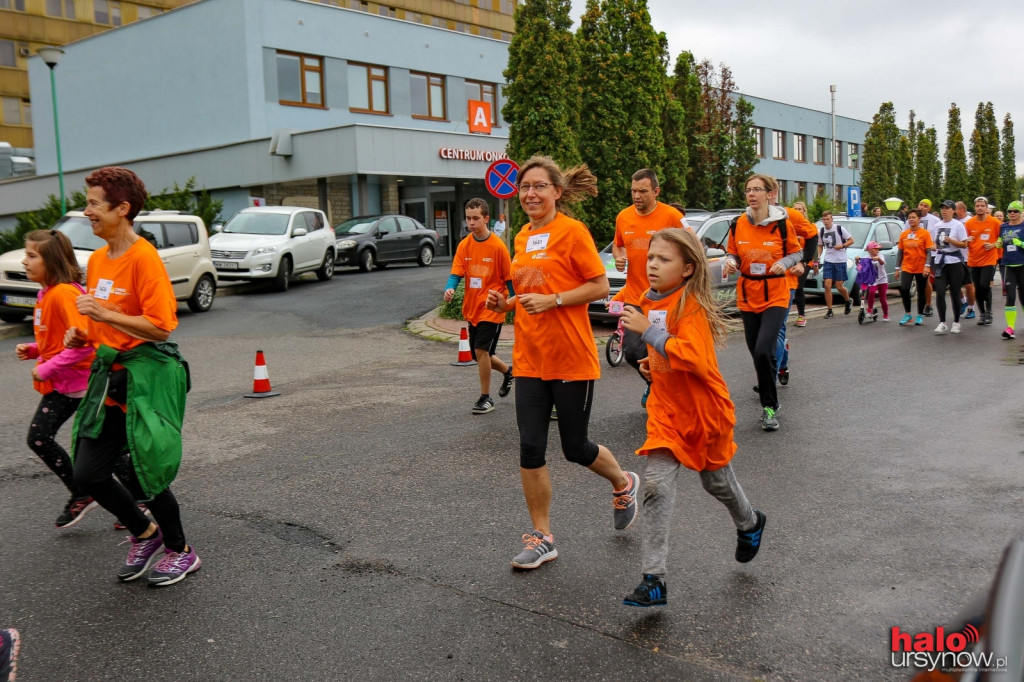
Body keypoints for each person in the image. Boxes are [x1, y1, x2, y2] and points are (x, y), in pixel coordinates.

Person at [485, 156, 639, 570]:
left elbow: (599, 285)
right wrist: (508, 301)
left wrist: (553, 301)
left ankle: (623, 483)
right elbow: (531, 286)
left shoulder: (572, 232)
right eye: (524, 188)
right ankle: (542, 537)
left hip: (571, 358)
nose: (530, 194)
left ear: (556, 191)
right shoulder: (520, 237)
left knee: (575, 448)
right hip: (531, 359)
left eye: (539, 186)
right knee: (530, 447)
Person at [65, 166, 200, 587]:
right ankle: (146, 534)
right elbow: (104, 323)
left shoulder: (144, 258)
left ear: (121, 209)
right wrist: (82, 335)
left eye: (93, 203)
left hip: (144, 377)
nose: (86, 211)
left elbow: (161, 326)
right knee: (87, 474)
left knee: (143, 470)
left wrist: (104, 313)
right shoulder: (99, 260)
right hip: (108, 376)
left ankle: (181, 551)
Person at [619, 228, 765, 608]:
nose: (653, 264)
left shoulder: (692, 306)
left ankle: (749, 522)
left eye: (663, 259)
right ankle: (655, 579)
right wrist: (652, 365)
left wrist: (649, 334)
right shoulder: (648, 299)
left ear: (686, 269)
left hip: (704, 412)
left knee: (716, 482)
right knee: (655, 486)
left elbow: (696, 359)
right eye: (651, 257)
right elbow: (661, 349)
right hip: (666, 412)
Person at [15, 230, 98, 528]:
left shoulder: (64, 294)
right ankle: (87, 493)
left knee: (98, 448)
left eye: (32, 255)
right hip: (65, 384)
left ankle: (134, 500)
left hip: (80, 385)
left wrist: (47, 368)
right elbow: (58, 339)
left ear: (51, 260)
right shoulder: (46, 293)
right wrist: (35, 349)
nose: (24, 261)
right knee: (44, 439)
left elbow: (85, 343)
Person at [722, 174, 802, 431]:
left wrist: (785, 263)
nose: (751, 194)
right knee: (756, 353)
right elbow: (732, 250)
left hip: (776, 293)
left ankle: (769, 406)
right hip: (747, 294)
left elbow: (797, 252)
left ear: (770, 194)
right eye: (748, 190)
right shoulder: (738, 224)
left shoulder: (781, 224)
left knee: (764, 350)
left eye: (757, 189)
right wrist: (730, 261)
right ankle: (771, 393)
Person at [610, 169, 686, 406]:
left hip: (667, 297)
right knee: (632, 350)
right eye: (633, 191)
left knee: (666, 349)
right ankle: (654, 385)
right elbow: (618, 245)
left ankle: (671, 392)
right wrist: (619, 256)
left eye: (642, 191)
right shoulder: (623, 216)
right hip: (636, 296)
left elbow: (692, 247)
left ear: (656, 191)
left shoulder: (672, 216)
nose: (637, 196)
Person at [443, 198, 514, 414]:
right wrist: (450, 288)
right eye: (468, 218)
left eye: (476, 218)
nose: (471, 222)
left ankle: (485, 398)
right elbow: (456, 272)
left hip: (492, 308)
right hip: (472, 307)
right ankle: (508, 371)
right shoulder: (465, 245)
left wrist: (514, 304)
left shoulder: (498, 247)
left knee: (481, 350)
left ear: (486, 218)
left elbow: (510, 280)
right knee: (477, 354)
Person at [928, 200, 969, 334]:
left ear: (953, 210)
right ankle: (942, 322)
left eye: (947, 208)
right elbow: (936, 243)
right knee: (939, 292)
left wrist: (952, 241)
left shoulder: (958, 225)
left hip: (955, 262)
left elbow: (964, 245)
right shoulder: (938, 225)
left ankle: (956, 322)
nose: (944, 211)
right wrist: (934, 247)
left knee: (955, 292)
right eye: (942, 208)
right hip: (940, 261)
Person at [964, 196, 1002, 326]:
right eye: (977, 206)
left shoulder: (995, 222)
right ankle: (982, 313)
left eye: (982, 206)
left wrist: (994, 245)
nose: (980, 208)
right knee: (978, 288)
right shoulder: (969, 223)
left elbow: (1002, 239)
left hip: (989, 259)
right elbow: (964, 241)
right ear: (974, 208)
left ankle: (989, 311)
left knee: (985, 285)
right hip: (974, 260)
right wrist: (966, 242)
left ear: (986, 208)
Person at [895, 209, 935, 326]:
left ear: (919, 219)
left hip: (921, 266)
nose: (911, 219)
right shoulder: (904, 234)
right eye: (910, 217)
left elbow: (929, 251)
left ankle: (919, 315)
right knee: (904, 289)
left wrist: (927, 266)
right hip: (907, 266)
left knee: (921, 290)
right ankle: (908, 314)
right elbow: (900, 252)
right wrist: (897, 268)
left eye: (914, 217)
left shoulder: (925, 233)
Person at [817, 211, 854, 318]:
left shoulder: (839, 228)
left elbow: (851, 240)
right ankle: (829, 310)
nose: (826, 221)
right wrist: (819, 256)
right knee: (827, 285)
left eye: (828, 219)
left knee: (839, 286)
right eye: (824, 219)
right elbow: (820, 245)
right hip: (828, 260)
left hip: (840, 260)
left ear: (832, 219)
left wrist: (842, 246)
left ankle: (848, 300)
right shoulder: (821, 231)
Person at [996, 201, 1024, 339]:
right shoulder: (1004, 226)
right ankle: (1010, 328)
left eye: (1015, 211)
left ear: (1020, 212)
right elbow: (1001, 239)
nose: (1012, 213)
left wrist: (1021, 244)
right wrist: (998, 242)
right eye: (1009, 211)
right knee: (1010, 297)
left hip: (1022, 265)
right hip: (1008, 265)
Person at [912, 199, 940, 316]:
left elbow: (939, 234)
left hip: (928, 254)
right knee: (917, 281)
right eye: (920, 204)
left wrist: (935, 244)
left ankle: (928, 305)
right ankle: (918, 307)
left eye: (925, 206)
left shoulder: (935, 220)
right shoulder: (912, 218)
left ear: (929, 209)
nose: (922, 207)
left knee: (925, 279)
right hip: (913, 254)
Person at [790, 201, 816, 328]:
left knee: (799, 285)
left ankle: (802, 315)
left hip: (805, 261)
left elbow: (813, 246)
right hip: (790, 261)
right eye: (794, 209)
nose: (797, 211)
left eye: (799, 209)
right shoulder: (788, 225)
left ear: (804, 211)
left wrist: (814, 262)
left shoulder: (809, 226)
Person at [855, 241, 889, 321]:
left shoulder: (880, 256)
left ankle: (886, 315)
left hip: (882, 279)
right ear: (870, 250)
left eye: (878, 249)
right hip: (872, 279)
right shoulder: (866, 258)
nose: (877, 251)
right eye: (875, 249)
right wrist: (857, 261)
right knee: (871, 292)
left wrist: (879, 259)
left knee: (882, 298)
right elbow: (859, 267)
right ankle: (869, 310)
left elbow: (882, 263)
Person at [955, 201, 977, 318]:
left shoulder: (970, 221)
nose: (953, 211)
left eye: (955, 209)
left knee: (969, 285)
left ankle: (971, 308)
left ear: (961, 210)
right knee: (955, 284)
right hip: (956, 258)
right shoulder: (956, 222)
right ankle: (963, 302)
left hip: (968, 258)